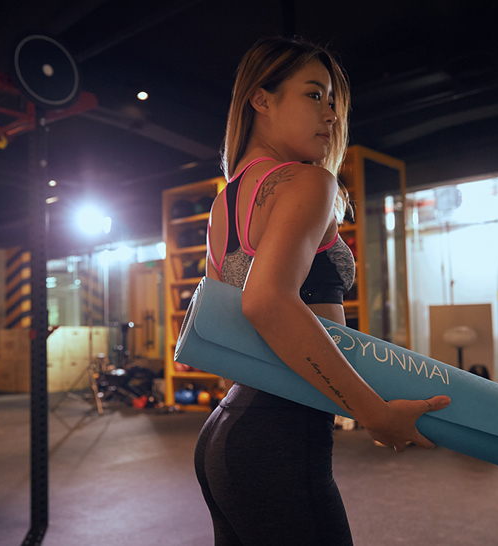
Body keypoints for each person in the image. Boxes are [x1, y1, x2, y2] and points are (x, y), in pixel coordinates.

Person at [193, 37, 452, 546]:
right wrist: (375, 414)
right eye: (315, 95)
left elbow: (226, 341)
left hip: (229, 432)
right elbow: (266, 301)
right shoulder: (308, 183)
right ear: (261, 100)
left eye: (333, 100)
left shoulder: (227, 203)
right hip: (279, 443)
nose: (331, 114)